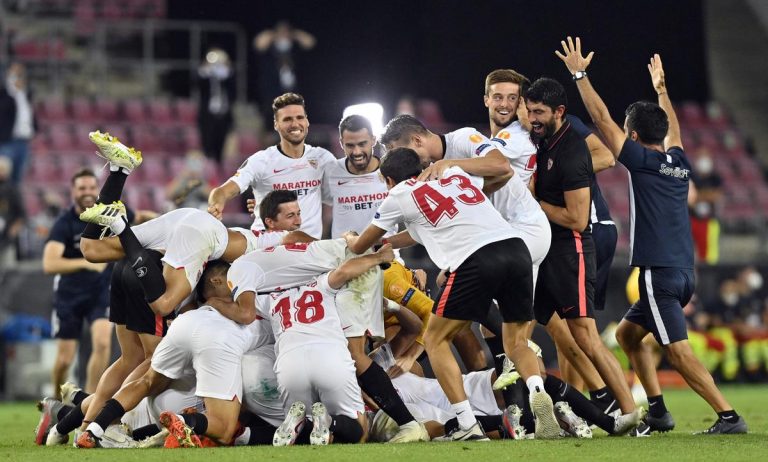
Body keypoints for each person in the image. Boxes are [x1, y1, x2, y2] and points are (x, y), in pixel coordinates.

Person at [556, 36, 747, 434]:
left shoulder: (642, 162)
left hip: (657, 273)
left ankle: (728, 417)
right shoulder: (678, 162)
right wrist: (662, 91)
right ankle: (657, 410)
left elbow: (603, 120)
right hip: (684, 272)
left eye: (628, 132)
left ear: (635, 137)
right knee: (627, 335)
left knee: (676, 352)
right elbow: (673, 131)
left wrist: (580, 75)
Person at [348, 147, 560, 441]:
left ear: (387, 179)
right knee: (515, 342)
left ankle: (468, 425)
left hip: (475, 259)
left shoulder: (399, 195)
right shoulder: (453, 174)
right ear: (422, 165)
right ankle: (537, 391)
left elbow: (360, 247)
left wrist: (355, 241)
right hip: (516, 248)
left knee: (435, 339)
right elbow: (425, 225)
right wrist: (388, 241)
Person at [525, 76, 637, 420]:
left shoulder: (572, 150)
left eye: (539, 112)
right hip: (547, 250)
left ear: (559, 111)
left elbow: (575, 219)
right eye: (529, 111)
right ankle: (580, 402)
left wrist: (533, 203)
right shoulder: (544, 143)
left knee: (585, 334)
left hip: (572, 248)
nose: (532, 118)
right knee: (543, 324)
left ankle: (630, 411)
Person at [222, 245, 397, 446]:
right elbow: (345, 270)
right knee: (359, 431)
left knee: (302, 434)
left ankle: (305, 422)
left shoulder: (270, 299)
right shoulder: (321, 283)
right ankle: (329, 422)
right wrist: (378, 257)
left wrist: (215, 302)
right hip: (330, 357)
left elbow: (241, 308)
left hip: (289, 365)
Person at [42, 169, 125, 401]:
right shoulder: (64, 223)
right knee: (65, 360)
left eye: (91, 188)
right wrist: (87, 263)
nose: (87, 193)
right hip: (69, 295)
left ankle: (88, 403)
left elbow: (140, 217)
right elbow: (49, 264)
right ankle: (55, 401)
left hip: (100, 291)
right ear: (73, 192)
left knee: (101, 342)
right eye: (82, 188)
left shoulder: (106, 216)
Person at [208, 93, 335, 238]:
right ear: (276, 124)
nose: (295, 124)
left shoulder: (323, 158)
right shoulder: (260, 161)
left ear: (307, 121)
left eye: (300, 117)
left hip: (309, 252)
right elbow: (222, 191)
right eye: (287, 119)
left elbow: (342, 193)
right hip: (267, 248)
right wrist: (216, 205)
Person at [322, 114, 390, 238]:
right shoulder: (330, 171)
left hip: (384, 254)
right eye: (350, 145)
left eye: (362, 144)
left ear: (373, 140)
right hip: (343, 255)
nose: (357, 152)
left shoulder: (391, 172)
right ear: (342, 143)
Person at [254, 21, 316, 120]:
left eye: (286, 32)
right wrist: (274, 34)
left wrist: (294, 34)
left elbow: (310, 42)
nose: (283, 35)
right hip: (273, 93)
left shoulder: (295, 49)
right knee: (273, 118)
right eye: (281, 33)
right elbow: (258, 44)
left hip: (294, 92)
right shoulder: (270, 51)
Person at [198, 48, 235, 164]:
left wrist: (226, 68)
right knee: (208, 146)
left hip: (224, 114)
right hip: (208, 115)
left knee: (221, 147)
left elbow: (233, 88)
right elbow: (197, 84)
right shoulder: (205, 75)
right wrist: (207, 69)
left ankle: (219, 168)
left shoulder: (227, 76)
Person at [0, 62, 34, 183]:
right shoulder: (4, 94)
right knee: (3, 177)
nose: (18, 76)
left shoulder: (26, 94)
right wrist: (13, 90)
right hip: (7, 142)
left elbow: (28, 115)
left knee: (17, 178)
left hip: (23, 142)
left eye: (20, 73)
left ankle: (14, 201)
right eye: (15, 73)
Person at [689, 150, 723, 265]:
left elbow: (717, 196)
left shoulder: (716, 178)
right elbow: (689, 199)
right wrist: (707, 195)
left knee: (709, 257)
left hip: (709, 221)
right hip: (691, 219)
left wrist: (698, 195)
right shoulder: (690, 176)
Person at [0, 156, 24, 266]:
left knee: (9, 273)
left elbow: (21, 214)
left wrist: (12, 232)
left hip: (6, 239)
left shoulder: (12, 190)